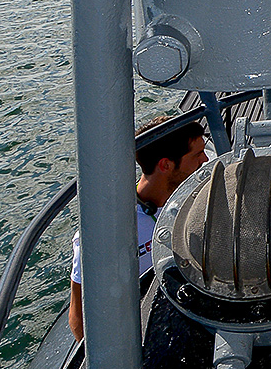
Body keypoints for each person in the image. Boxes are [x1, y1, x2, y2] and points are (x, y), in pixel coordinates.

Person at [68, 115, 208, 340]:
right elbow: (80, 315)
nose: (206, 159)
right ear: (165, 165)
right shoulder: (105, 231)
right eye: (197, 155)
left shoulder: (198, 199)